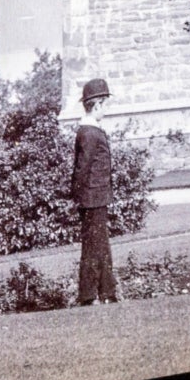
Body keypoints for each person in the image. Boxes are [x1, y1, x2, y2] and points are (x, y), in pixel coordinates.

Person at [70, 76, 118, 305]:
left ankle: (103, 292)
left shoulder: (91, 130)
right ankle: (92, 294)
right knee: (95, 246)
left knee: (98, 245)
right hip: (92, 198)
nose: (106, 110)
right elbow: (82, 168)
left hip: (95, 197)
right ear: (97, 105)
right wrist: (79, 197)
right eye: (105, 105)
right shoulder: (89, 132)